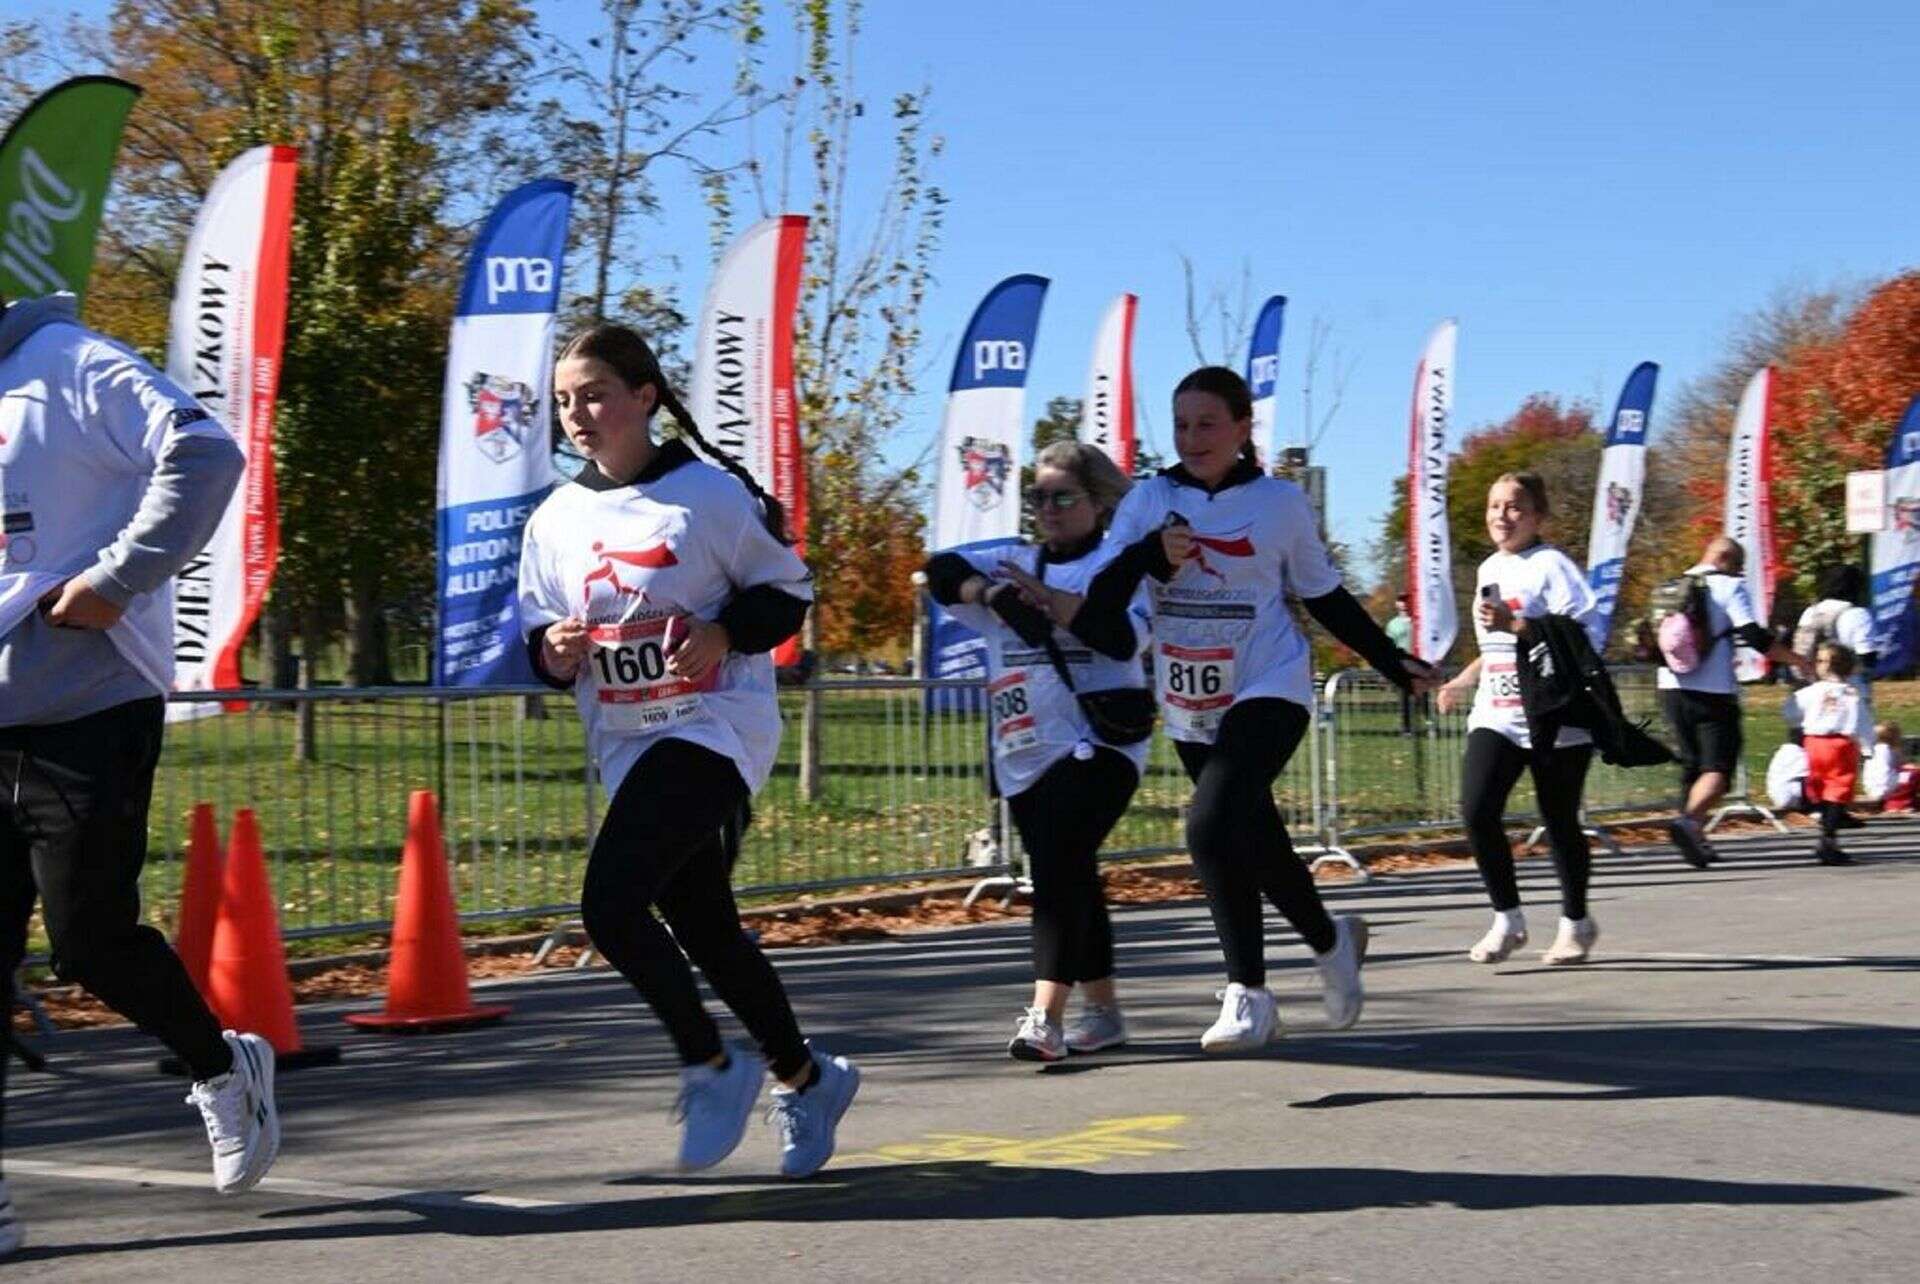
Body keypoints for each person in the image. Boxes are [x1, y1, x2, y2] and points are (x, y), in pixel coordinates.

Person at [517, 324, 855, 1179]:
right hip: (627, 739)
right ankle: (807, 1079)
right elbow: (543, 639)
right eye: (564, 401)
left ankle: (710, 1065)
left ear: (645, 398)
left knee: (610, 905)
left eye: (593, 395)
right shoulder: (555, 518)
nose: (577, 415)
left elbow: (788, 594)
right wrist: (552, 655)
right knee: (704, 924)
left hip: (714, 729)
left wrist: (721, 630)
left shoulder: (705, 496)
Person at [1029, 366, 1433, 1051]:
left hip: (1268, 678)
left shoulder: (1279, 503)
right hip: (1191, 695)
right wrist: (1151, 557)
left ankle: (1248, 993)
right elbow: (1101, 598)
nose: (1192, 437)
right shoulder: (1150, 501)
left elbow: (1323, 594)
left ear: (1244, 428)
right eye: (1181, 424)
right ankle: (1331, 940)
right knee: (1256, 840)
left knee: (1210, 822)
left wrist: (1390, 662)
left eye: (1208, 423)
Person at [0, 291, 279, 1256]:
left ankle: (220, 1066)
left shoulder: (70, 362)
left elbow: (207, 455)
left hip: (87, 706)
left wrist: (115, 581)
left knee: (90, 942)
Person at [922, 441, 1150, 1062]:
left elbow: (1121, 636)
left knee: (1057, 865)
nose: (1047, 508)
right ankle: (1103, 1012)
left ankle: (1044, 1018)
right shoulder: (1009, 561)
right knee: (1070, 872)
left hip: (1100, 742)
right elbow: (937, 568)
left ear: (1098, 502)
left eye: (1062, 496)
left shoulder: (1117, 565)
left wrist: (1053, 606)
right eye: (1038, 497)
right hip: (1022, 748)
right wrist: (988, 595)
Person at [1434, 473, 1607, 965]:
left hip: (1554, 714)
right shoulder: (1489, 566)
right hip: (1498, 712)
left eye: (1514, 507)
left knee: (1558, 821)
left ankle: (1576, 922)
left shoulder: (1553, 567)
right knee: (1476, 810)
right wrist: (1463, 679)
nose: (1501, 516)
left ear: (1537, 515)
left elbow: (1585, 636)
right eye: (1494, 506)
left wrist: (1517, 624)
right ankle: (1507, 919)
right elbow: (1496, 645)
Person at [1658, 537, 1810, 868]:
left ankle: (1696, 838)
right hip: (1713, 691)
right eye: (1739, 567)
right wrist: (1796, 660)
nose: (1741, 574)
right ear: (1726, 559)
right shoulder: (1727, 586)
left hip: (1670, 687)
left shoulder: (1672, 585)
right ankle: (1688, 821)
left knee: (1692, 765)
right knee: (1718, 769)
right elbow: (1755, 637)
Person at [1786, 643, 1866, 865]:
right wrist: (1869, 746)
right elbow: (1862, 721)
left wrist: (1799, 719)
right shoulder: (1851, 693)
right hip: (1840, 745)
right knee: (1837, 790)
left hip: (1814, 742)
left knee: (1820, 785)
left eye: (1820, 661)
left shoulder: (1811, 691)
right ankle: (1829, 839)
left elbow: (1791, 711)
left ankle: (1815, 806)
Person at [1793, 565, 1877, 746]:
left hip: (1811, 690)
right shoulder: (1857, 614)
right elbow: (1867, 657)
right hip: (1850, 693)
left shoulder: (1809, 613)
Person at [1863, 720, 1920, 812]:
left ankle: (1909, 800)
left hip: (1873, 786)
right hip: (1884, 785)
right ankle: (1898, 804)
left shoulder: (1876, 748)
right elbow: (1888, 771)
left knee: (1911, 773)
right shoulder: (1885, 750)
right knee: (1914, 774)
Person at [1386, 593, 1418, 733]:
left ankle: (1429, 721)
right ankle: (1406, 727)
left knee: (1421, 694)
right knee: (1404, 696)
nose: (1404, 604)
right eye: (1400, 601)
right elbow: (1389, 644)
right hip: (1403, 664)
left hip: (1419, 662)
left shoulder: (1418, 621)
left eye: (1406, 601)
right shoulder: (1392, 624)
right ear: (1396, 604)